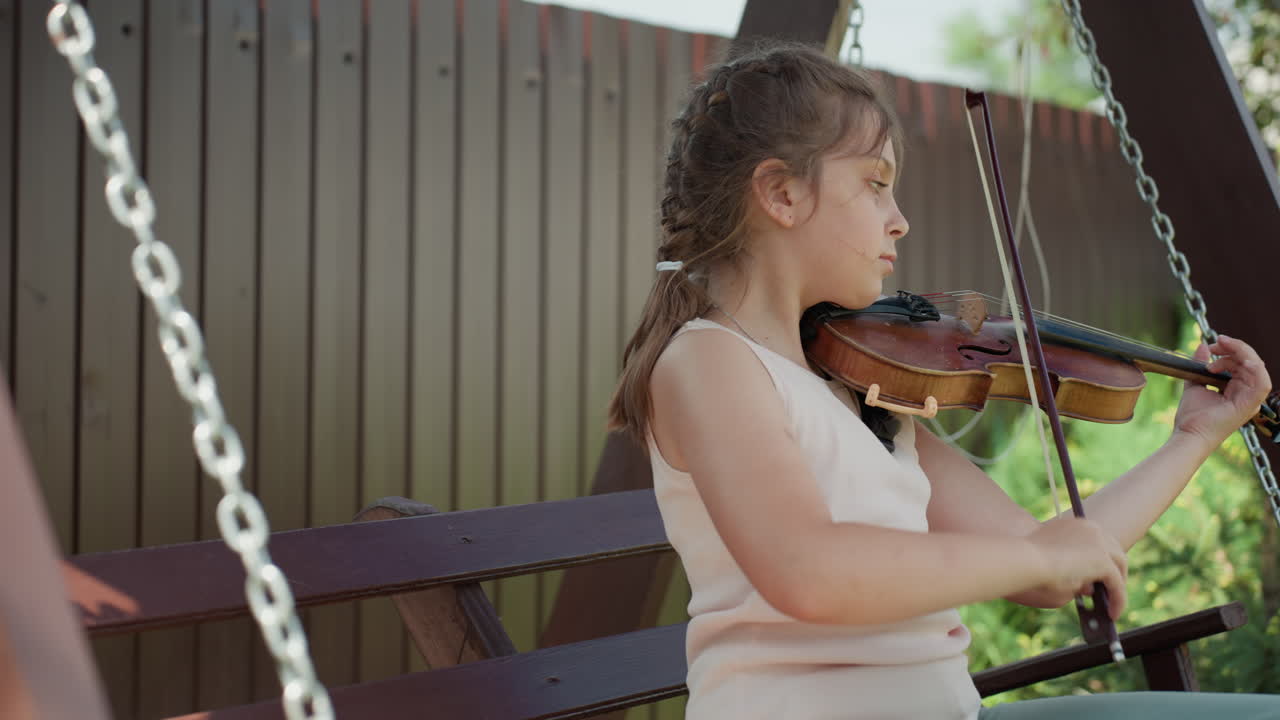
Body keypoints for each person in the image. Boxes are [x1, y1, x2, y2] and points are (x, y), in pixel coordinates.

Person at [607, 42, 1279, 719]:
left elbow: (1045, 555)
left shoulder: (857, 385)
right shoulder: (710, 362)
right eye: (875, 184)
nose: (898, 218)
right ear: (782, 193)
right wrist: (1043, 560)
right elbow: (810, 572)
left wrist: (1193, 437)